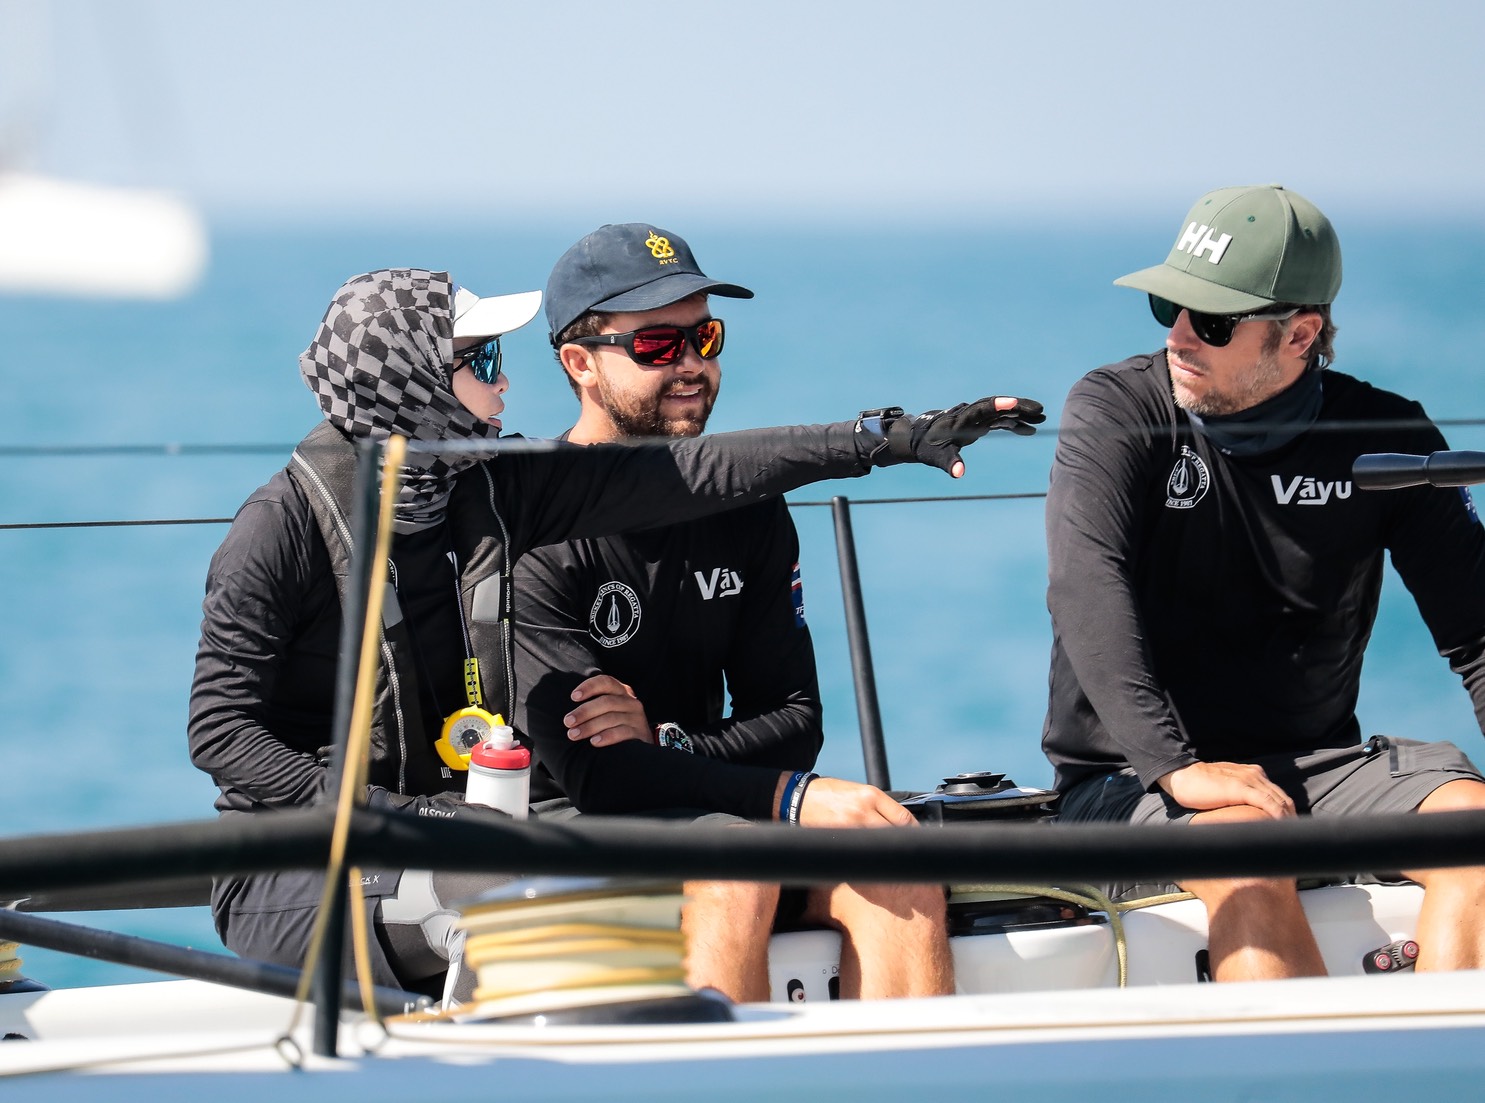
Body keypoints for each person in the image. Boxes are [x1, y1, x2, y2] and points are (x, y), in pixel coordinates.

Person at [188, 266, 1038, 1006]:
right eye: (482, 362)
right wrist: (396, 817)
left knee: (745, 859)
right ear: (413, 387)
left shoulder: (486, 490)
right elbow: (220, 732)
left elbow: (698, 472)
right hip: (298, 864)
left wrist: (880, 439)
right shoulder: (278, 529)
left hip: (454, 828)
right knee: (556, 887)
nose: (504, 386)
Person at [512, 223, 1044, 1001]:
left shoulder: (746, 508)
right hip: (575, 828)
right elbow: (599, 776)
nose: (691, 365)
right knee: (735, 864)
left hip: (717, 807)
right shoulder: (533, 525)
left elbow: (794, 719)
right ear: (579, 363)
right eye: (657, 345)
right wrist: (787, 794)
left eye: (704, 337)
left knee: (898, 863)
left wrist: (670, 740)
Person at [1042, 184, 1485, 982]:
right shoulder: (1113, 406)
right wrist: (1176, 766)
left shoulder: (1383, 433)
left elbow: (1476, 632)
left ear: (1300, 334)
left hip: (1315, 767)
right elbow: (1084, 582)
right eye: (1169, 306)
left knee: (1472, 830)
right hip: (1130, 780)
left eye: (1212, 321)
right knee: (1246, 845)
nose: (1179, 335)